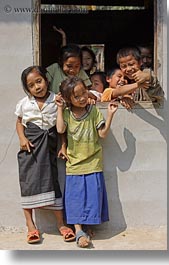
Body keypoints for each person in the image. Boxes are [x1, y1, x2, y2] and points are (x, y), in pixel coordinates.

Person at [15, 66, 75, 244]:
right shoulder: (24, 103)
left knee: (52, 181)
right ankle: (30, 225)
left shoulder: (56, 100)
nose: (37, 87)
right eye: (31, 85)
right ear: (27, 89)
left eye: (39, 81)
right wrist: (22, 138)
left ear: (46, 80)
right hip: (30, 148)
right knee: (27, 183)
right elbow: (19, 123)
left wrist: (63, 146)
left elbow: (61, 127)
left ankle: (61, 224)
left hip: (49, 147)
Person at [55, 77, 118, 248]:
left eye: (84, 92)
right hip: (74, 164)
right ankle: (78, 231)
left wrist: (110, 114)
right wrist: (60, 108)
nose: (82, 97)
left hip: (93, 162)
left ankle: (87, 225)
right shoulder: (67, 114)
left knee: (92, 198)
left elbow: (102, 134)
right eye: (77, 96)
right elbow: (60, 129)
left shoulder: (94, 111)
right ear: (69, 99)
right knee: (75, 199)